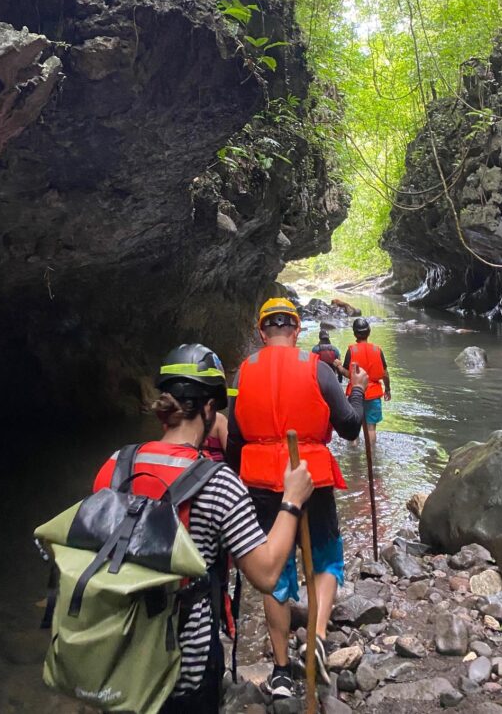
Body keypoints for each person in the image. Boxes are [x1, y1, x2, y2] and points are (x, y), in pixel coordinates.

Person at [92, 343, 314, 714]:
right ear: (209, 408)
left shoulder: (115, 465)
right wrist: (291, 500)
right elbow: (266, 573)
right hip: (186, 670)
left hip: (118, 652)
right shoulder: (219, 483)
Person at [226, 298, 369, 697]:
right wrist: (356, 389)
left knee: (275, 572)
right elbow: (352, 427)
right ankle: (318, 637)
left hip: (260, 483)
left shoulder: (243, 372)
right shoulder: (318, 369)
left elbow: (235, 437)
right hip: (312, 477)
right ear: (296, 329)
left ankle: (282, 670)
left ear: (261, 332)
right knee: (325, 559)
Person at [337, 317, 391, 453]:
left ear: (355, 334)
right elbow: (385, 373)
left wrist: (338, 366)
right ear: (369, 332)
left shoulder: (352, 350)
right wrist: (388, 389)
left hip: (356, 394)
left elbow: (348, 374)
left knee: (353, 426)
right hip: (373, 394)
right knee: (371, 427)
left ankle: (353, 451)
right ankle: (371, 453)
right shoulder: (377, 350)